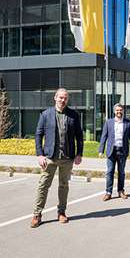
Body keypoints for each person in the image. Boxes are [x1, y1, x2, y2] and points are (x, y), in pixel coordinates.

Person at [30, 88, 83, 228]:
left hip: (67, 157)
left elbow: (79, 136)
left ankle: (61, 212)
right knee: (43, 185)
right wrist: (40, 154)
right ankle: (37, 214)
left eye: (65, 98)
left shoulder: (73, 115)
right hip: (50, 157)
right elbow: (38, 135)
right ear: (55, 98)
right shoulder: (46, 114)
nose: (62, 100)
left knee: (64, 186)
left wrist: (79, 154)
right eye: (60, 97)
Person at [98, 103, 130, 201]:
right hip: (111, 151)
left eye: (120, 110)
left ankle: (120, 191)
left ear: (123, 111)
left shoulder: (128, 123)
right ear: (114, 111)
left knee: (121, 172)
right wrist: (101, 150)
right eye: (117, 110)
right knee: (110, 172)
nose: (119, 112)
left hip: (122, 151)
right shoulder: (108, 122)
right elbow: (104, 136)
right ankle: (108, 192)